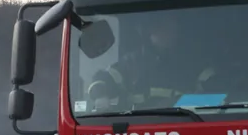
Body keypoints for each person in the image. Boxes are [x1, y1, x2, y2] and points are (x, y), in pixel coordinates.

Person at [86, 12, 218, 111]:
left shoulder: (191, 63)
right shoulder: (131, 62)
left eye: (172, 29)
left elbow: (215, 89)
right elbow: (103, 78)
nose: (169, 33)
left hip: (184, 124)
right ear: (149, 32)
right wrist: (100, 95)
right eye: (163, 28)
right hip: (137, 128)